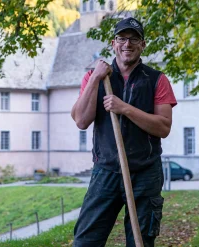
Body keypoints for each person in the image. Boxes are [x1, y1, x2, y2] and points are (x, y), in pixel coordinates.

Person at [71, 17, 177, 247]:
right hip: (106, 170)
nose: (127, 44)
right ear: (113, 43)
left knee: (141, 241)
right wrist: (95, 79)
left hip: (145, 171)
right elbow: (81, 120)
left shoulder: (157, 80)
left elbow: (163, 127)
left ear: (143, 44)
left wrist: (124, 108)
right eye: (122, 38)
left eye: (133, 39)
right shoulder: (94, 79)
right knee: (85, 241)